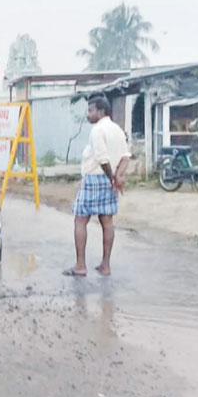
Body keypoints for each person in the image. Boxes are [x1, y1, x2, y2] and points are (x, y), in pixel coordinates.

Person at [63, 96, 130, 277]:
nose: (88, 114)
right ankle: (105, 265)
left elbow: (102, 158)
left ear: (101, 111)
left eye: (90, 110)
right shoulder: (118, 130)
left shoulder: (97, 130)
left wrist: (112, 178)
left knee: (80, 219)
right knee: (107, 222)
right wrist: (118, 176)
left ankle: (80, 266)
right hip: (110, 179)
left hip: (95, 178)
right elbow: (125, 156)